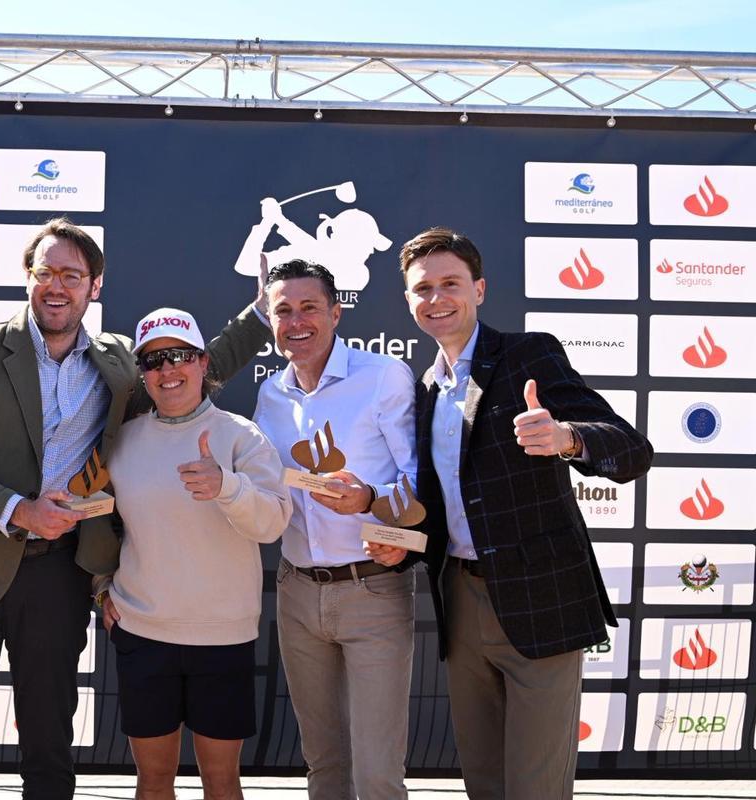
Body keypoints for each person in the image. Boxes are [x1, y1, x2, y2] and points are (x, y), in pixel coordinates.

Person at [0, 218, 272, 799]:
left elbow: (183, 377)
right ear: (28, 277)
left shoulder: (119, 361)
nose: (57, 286)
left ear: (94, 286)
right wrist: (20, 510)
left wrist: (258, 318)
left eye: (72, 276)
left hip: (59, 574)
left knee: (50, 747)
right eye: (46, 272)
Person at [399, 227, 653, 799]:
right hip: (460, 601)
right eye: (422, 288)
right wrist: (397, 539)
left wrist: (566, 437)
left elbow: (631, 449)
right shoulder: (425, 390)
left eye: (450, 283)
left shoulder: (527, 354)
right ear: (409, 301)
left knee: (536, 788)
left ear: (479, 289)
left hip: (541, 598)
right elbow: (439, 509)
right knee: (484, 782)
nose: (436, 298)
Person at [96, 308, 292, 800]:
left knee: (222, 783)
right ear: (143, 374)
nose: (168, 369)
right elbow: (98, 520)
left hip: (222, 637)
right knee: (153, 781)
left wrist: (226, 486)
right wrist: (99, 586)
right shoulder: (123, 441)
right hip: (144, 634)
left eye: (180, 355)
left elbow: (273, 522)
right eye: (154, 360)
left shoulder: (241, 435)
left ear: (204, 362)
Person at [252, 259, 417, 800]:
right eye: (283, 310)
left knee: (376, 774)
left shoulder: (383, 376)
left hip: (374, 588)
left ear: (336, 313)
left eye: (309, 308)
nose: (296, 322)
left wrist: (378, 511)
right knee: (323, 765)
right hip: (297, 591)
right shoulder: (271, 395)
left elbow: (421, 478)